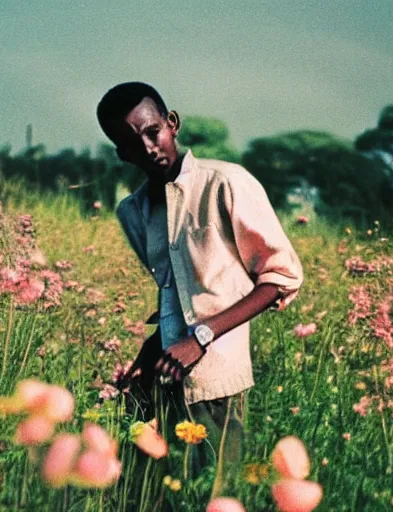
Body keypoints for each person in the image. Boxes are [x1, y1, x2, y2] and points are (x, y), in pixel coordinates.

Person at [96, 82, 303, 492]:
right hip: (164, 377)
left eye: (152, 131)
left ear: (172, 124)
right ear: (121, 153)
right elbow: (173, 294)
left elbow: (280, 278)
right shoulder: (132, 212)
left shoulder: (227, 183)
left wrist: (201, 337)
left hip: (216, 383)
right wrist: (148, 354)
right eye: (132, 143)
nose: (148, 148)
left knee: (214, 495)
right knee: (154, 494)